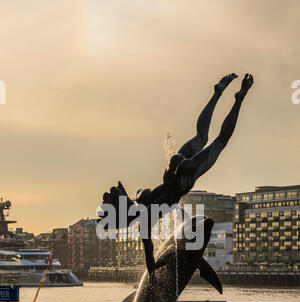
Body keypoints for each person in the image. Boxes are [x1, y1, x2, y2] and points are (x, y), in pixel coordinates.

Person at [98, 73, 254, 274]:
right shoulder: (141, 196)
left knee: (220, 142)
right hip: (170, 171)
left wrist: (157, 269)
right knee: (201, 136)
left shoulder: (144, 225)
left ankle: (239, 99)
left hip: (182, 181)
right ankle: (217, 93)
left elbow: (151, 262)